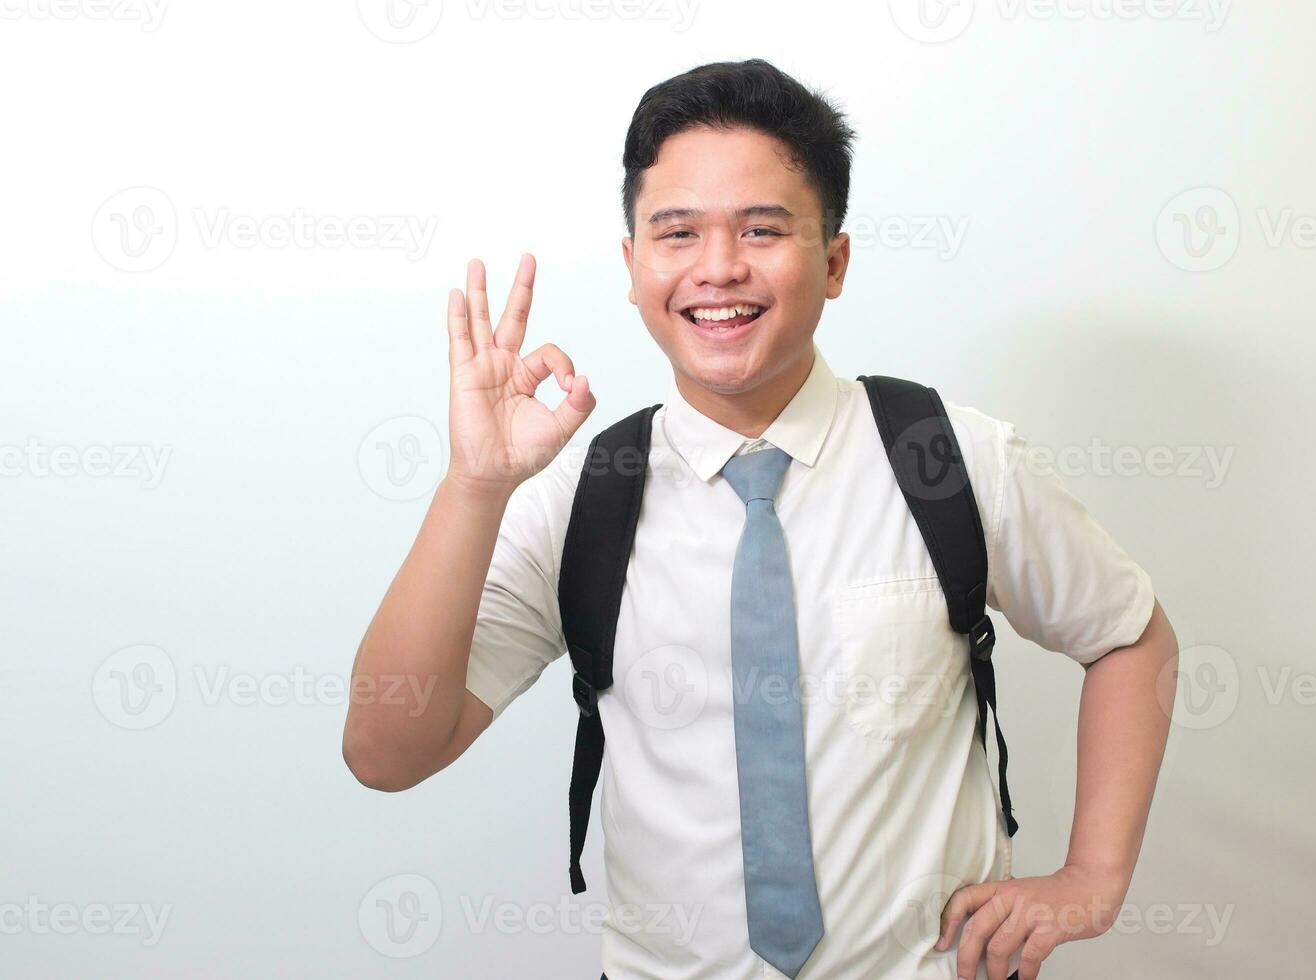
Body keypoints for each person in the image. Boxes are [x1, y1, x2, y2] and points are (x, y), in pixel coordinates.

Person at [344, 58, 1179, 980]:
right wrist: (474, 485)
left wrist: (1093, 877)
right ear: (632, 267)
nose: (718, 268)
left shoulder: (947, 459)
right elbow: (387, 752)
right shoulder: (585, 494)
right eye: (677, 232)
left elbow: (1128, 637)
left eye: (762, 230)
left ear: (833, 262)